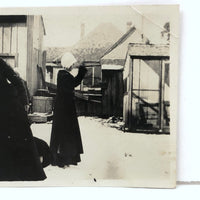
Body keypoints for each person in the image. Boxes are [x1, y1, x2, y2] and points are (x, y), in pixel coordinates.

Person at [0, 58, 46, 181]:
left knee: (18, 139)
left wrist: (25, 101)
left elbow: (18, 81)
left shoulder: (0, 63)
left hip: (10, 106)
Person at [50, 52, 87, 167]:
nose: (72, 66)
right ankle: (63, 158)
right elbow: (74, 83)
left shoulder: (63, 74)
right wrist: (82, 70)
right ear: (67, 65)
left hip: (64, 108)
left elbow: (73, 84)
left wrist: (81, 70)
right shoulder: (64, 76)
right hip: (64, 109)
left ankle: (67, 157)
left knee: (66, 132)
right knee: (66, 132)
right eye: (72, 64)